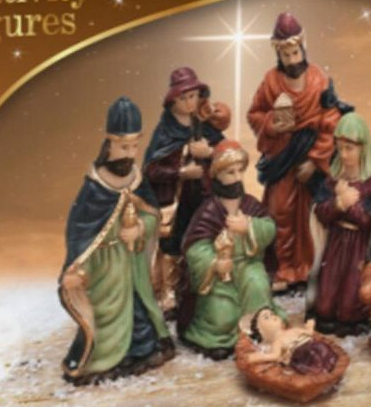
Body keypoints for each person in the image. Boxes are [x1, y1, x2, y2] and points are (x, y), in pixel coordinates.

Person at [59, 96, 175, 385]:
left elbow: (152, 214)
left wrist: (140, 228)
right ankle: (105, 360)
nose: (130, 154)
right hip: (104, 269)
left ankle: (143, 352)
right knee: (108, 316)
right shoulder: (94, 188)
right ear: (109, 143)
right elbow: (79, 233)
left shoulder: (136, 177)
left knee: (140, 311)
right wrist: (75, 269)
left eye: (135, 146)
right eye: (124, 147)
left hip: (131, 263)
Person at [247, 11, 343, 292]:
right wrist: (272, 124)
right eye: (286, 55)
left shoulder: (318, 79)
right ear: (278, 54)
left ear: (303, 48)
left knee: (314, 216)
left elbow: (331, 119)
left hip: (313, 160)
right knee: (280, 213)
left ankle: (312, 269)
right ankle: (285, 269)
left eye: (295, 52)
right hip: (283, 159)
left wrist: (315, 160)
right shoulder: (271, 81)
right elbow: (254, 114)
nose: (292, 60)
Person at [178, 139, 284, 359]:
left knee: (258, 285)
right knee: (222, 315)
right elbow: (194, 247)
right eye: (230, 172)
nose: (237, 178)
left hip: (247, 264)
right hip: (220, 276)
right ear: (217, 175)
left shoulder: (250, 204)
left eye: (240, 171)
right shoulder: (209, 211)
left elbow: (270, 227)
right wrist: (215, 263)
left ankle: (257, 331)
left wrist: (250, 227)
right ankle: (219, 339)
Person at [143, 66, 226, 313]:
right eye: (183, 98)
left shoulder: (203, 124)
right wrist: (181, 171)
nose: (190, 102)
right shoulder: (165, 131)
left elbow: (227, 151)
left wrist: (210, 152)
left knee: (203, 239)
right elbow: (151, 169)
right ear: (173, 101)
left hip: (203, 195)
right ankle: (168, 292)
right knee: (173, 242)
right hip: (175, 200)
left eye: (193, 96)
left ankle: (200, 287)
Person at [307, 113, 371, 333]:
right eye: (340, 148)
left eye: (349, 148)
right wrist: (338, 204)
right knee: (325, 306)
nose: (343, 155)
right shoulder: (334, 178)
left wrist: (351, 207)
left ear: (363, 147)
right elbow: (320, 212)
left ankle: (357, 320)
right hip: (335, 246)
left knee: (349, 307)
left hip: (361, 250)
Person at [241, 307, 339, 375]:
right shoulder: (277, 342)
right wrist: (255, 357)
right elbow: (274, 356)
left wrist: (310, 326)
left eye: (272, 314)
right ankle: (320, 369)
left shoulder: (294, 330)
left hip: (313, 345)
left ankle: (329, 364)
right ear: (261, 331)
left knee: (322, 348)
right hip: (300, 355)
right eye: (266, 317)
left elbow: (309, 333)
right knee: (311, 355)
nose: (273, 316)